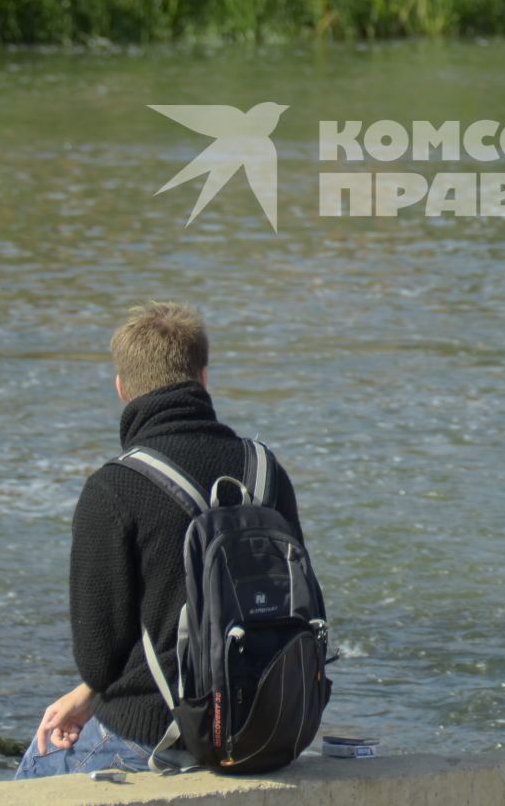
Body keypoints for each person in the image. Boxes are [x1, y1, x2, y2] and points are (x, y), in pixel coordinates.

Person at [17, 302, 305, 778]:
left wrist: (88, 691)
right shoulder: (265, 469)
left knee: (38, 763)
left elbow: (99, 659)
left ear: (122, 389)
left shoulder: (114, 488)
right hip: (272, 722)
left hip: (158, 733)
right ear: (204, 378)